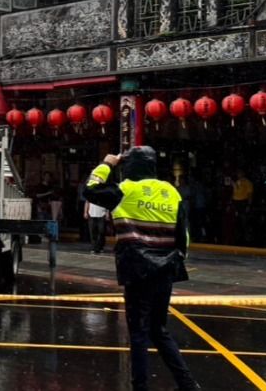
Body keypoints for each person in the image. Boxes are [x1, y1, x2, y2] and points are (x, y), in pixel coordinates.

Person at [86, 148, 200, 391]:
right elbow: (184, 235)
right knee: (158, 329)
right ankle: (187, 384)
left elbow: (90, 189)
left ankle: (140, 386)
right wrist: (176, 258)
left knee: (138, 332)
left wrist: (106, 164)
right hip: (165, 269)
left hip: (137, 270)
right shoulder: (170, 191)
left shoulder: (125, 190)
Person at [84, 167, 108, 254]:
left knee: (101, 231)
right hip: (91, 213)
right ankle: (94, 247)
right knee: (92, 231)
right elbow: (87, 201)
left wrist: (107, 213)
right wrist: (85, 212)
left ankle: (100, 246)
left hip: (101, 213)